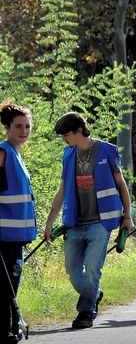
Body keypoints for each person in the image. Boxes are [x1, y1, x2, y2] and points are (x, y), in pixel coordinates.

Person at [45, 112, 133, 329]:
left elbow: (121, 185)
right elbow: (62, 190)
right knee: (73, 271)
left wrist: (127, 217)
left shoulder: (107, 150)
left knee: (93, 269)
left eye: (66, 135)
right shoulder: (68, 155)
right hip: (74, 222)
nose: (64, 139)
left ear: (78, 131)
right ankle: (94, 294)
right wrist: (49, 222)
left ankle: (86, 312)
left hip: (101, 222)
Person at [0, 102, 36, 343]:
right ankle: (7, 330)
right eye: (18, 126)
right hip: (3, 234)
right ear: (7, 128)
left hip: (17, 235)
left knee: (12, 284)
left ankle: (12, 328)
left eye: (27, 126)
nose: (24, 131)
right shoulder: (3, 152)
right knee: (5, 287)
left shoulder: (17, 154)